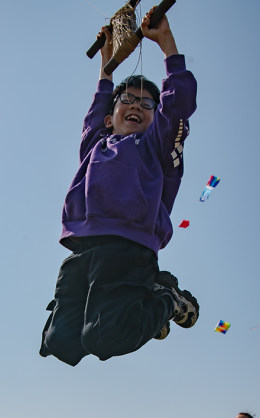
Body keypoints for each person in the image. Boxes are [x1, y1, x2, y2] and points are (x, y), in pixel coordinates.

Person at [40, 7, 199, 366]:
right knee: (60, 342)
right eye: (126, 100)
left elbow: (179, 105)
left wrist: (166, 43)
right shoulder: (94, 145)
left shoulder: (156, 146)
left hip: (128, 248)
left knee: (106, 337)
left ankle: (166, 297)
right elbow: (98, 105)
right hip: (83, 249)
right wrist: (109, 60)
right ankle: (143, 300)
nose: (136, 106)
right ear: (110, 118)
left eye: (147, 104)